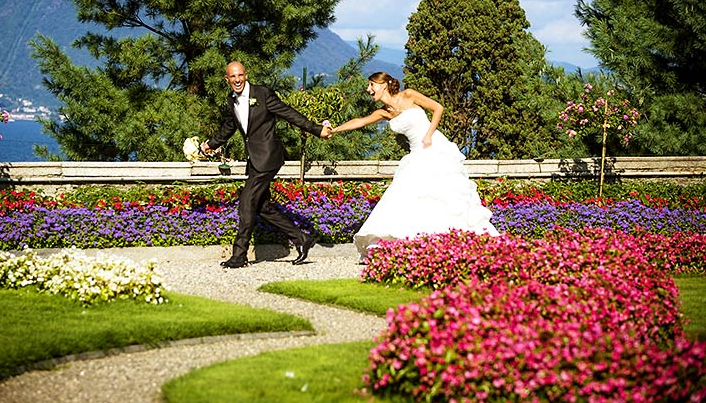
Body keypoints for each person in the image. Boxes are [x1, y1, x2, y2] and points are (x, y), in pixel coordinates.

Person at [330, 72, 499, 262]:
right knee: (409, 196)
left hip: (435, 148)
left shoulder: (409, 95)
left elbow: (438, 108)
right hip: (416, 153)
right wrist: (335, 130)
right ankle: (417, 244)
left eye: (372, 85)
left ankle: (457, 241)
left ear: (383, 84)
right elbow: (360, 121)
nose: (369, 90)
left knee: (445, 196)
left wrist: (429, 134)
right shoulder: (384, 112)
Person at [201, 61, 333, 268]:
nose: (237, 80)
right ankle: (301, 239)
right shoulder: (231, 100)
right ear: (227, 79)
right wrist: (210, 144)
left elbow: (288, 112)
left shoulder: (262, 94)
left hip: (269, 157)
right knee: (262, 207)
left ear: (246, 75)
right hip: (254, 160)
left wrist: (316, 129)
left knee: (246, 204)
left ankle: (239, 255)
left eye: (240, 75)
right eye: (232, 77)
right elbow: (230, 126)